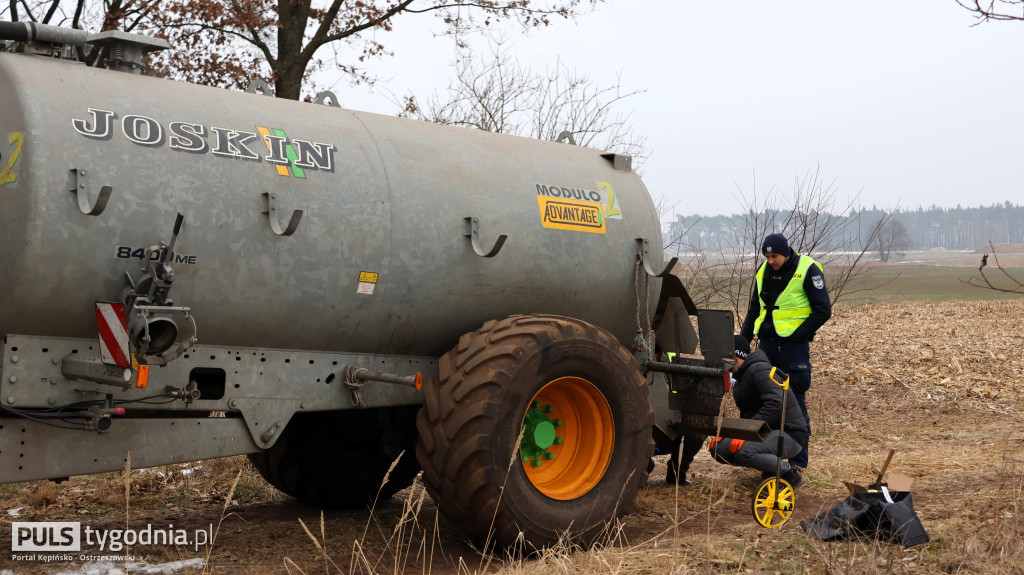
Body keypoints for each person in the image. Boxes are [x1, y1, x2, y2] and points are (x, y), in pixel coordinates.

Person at [740, 233, 830, 470]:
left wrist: (798, 335)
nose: (771, 261)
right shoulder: (763, 272)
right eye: (767, 256)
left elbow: (823, 310)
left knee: (795, 405)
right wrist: (742, 343)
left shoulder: (808, 269)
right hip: (767, 346)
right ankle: (767, 461)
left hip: (793, 349)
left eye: (775, 256)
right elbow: (753, 311)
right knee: (766, 403)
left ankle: (798, 464)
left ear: (786, 251)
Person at [710, 335, 808, 487]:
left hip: (789, 434)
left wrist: (745, 435)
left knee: (743, 451)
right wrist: (727, 435)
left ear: (735, 356)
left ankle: (789, 473)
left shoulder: (760, 370)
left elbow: (775, 404)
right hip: (767, 432)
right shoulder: (742, 377)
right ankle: (769, 469)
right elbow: (748, 416)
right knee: (719, 449)